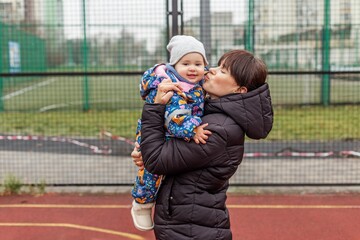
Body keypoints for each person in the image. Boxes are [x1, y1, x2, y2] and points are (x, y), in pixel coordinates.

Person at [131, 49, 274, 239]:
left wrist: (155, 108)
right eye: (218, 65)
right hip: (189, 224)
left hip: (192, 230)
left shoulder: (219, 130)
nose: (211, 70)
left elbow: (157, 160)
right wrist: (144, 150)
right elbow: (164, 152)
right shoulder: (206, 112)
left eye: (223, 70)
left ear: (239, 90)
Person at [131, 35, 211, 231]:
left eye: (198, 64)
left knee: (167, 171)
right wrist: (193, 129)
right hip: (163, 131)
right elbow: (175, 117)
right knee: (151, 171)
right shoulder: (171, 87)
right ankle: (142, 204)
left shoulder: (197, 83)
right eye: (186, 63)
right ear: (174, 65)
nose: (193, 68)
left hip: (173, 135)